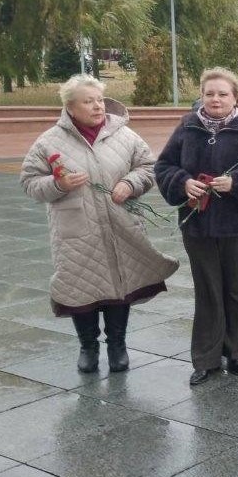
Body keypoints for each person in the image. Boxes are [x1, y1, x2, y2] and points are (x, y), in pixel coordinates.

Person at [21, 75, 178, 374]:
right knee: (81, 287)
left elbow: (148, 167)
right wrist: (59, 183)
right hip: (76, 231)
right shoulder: (48, 141)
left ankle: (117, 345)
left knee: (121, 283)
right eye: (88, 101)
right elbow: (29, 182)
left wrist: (130, 184)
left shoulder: (125, 136)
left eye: (99, 100)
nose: (97, 106)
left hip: (121, 224)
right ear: (70, 107)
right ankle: (88, 346)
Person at [155, 67, 238, 385]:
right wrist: (183, 183)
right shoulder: (188, 127)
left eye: (222, 93)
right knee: (208, 290)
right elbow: (164, 165)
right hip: (199, 226)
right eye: (209, 93)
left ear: (235, 96)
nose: (215, 99)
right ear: (202, 95)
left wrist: (237, 182)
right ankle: (207, 358)